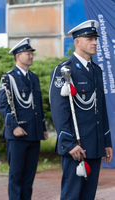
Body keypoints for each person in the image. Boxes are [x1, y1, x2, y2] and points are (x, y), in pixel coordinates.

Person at [50, 20, 113, 200]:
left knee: (88, 195)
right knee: (72, 194)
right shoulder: (65, 70)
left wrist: (106, 141)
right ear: (77, 42)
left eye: (95, 39)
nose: (95, 42)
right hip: (76, 145)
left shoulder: (96, 70)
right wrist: (69, 144)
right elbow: (59, 110)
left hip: (94, 143)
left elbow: (100, 109)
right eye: (90, 38)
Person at [0, 38, 48, 200]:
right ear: (18, 56)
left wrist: (43, 128)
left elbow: (37, 105)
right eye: (28, 54)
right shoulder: (9, 78)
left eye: (31, 54)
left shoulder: (33, 78)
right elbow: (4, 105)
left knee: (29, 178)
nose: (31, 56)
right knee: (16, 176)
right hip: (18, 134)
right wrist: (13, 126)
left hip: (34, 133)